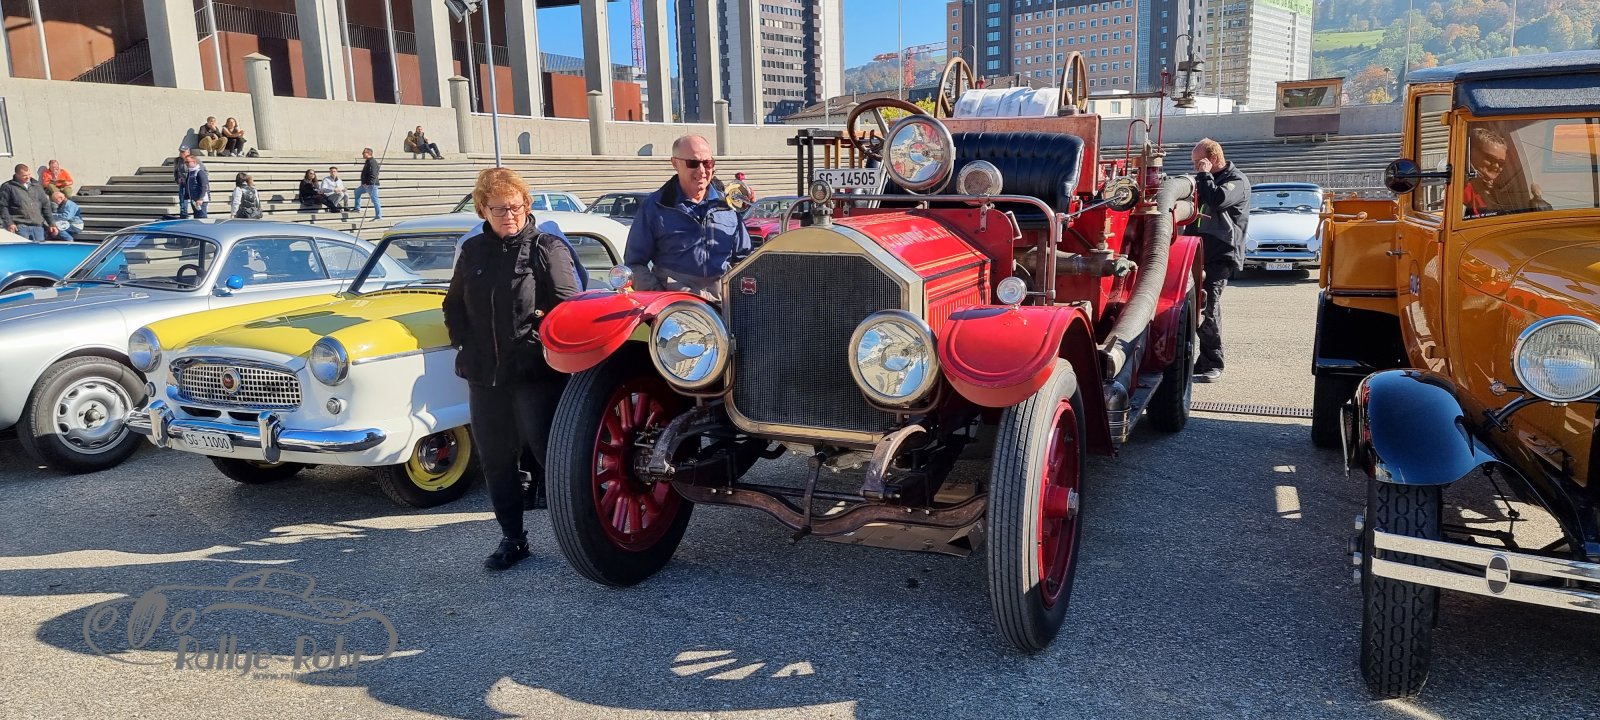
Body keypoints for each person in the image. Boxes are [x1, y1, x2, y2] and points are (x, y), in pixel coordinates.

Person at [443, 168, 584, 571]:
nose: (510, 215)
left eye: (517, 207)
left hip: (533, 373)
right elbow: (453, 305)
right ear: (482, 210)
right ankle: (513, 539)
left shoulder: (546, 247)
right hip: (484, 374)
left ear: (527, 205)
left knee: (551, 456)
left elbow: (569, 309)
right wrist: (464, 343)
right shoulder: (473, 251)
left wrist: (536, 345)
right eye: (500, 209)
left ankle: (584, 536)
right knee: (495, 459)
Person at [623, 134, 752, 301]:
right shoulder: (655, 207)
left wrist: (734, 294)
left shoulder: (727, 206)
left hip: (724, 306)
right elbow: (634, 264)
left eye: (707, 163)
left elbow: (745, 260)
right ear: (675, 163)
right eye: (693, 163)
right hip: (675, 308)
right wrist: (660, 297)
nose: (702, 171)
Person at [1184, 138, 1249, 383]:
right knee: (1198, 307)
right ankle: (1203, 360)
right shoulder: (1207, 179)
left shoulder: (1236, 181)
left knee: (1208, 307)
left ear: (1211, 159)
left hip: (1220, 255)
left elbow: (1217, 200)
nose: (1195, 167)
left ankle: (1214, 362)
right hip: (1199, 253)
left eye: (1198, 162)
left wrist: (1204, 175)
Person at [1, 164, 56, 241]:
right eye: (24, 175)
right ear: (16, 175)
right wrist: (9, 223)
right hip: (20, 226)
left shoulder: (36, 186)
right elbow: (3, 206)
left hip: (37, 226)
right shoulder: (8, 187)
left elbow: (45, 206)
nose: (28, 177)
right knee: (23, 248)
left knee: (39, 248)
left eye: (29, 174)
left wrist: (52, 223)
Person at [177, 153, 210, 219]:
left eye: (188, 162)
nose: (186, 164)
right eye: (185, 162)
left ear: (194, 162)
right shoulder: (190, 172)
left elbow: (204, 186)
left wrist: (200, 198)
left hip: (200, 200)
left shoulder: (199, 172)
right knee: (197, 218)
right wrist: (186, 196)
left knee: (202, 218)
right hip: (194, 199)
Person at [353, 148, 382, 219]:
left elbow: (373, 174)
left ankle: (378, 216)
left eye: (364, 152)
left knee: (375, 200)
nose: (362, 154)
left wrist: (368, 183)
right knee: (357, 192)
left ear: (368, 153)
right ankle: (357, 208)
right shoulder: (368, 161)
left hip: (371, 185)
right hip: (366, 185)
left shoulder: (372, 162)